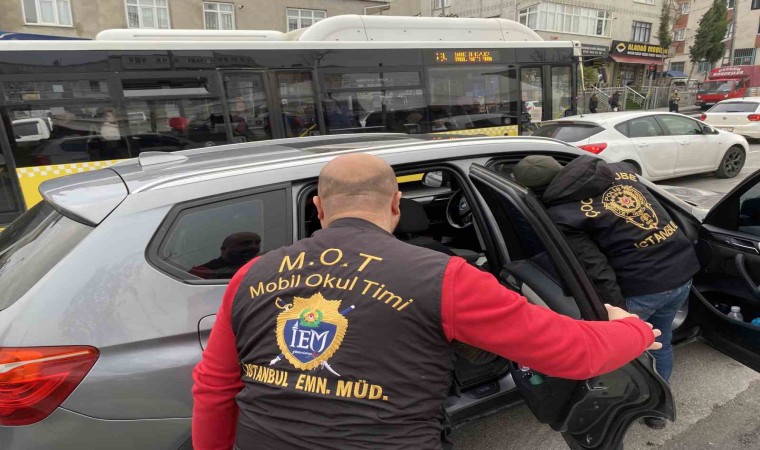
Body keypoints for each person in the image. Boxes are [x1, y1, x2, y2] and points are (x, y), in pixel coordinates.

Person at [192, 153, 663, 449]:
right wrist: (634, 329)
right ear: (396, 204)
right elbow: (572, 352)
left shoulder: (251, 274)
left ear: (318, 208)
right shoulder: (444, 277)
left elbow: (213, 389)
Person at [513, 154, 700, 429]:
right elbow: (659, 212)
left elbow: (595, 268)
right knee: (661, 340)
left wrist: (614, 313)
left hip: (642, 288)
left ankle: (613, 411)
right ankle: (658, 411)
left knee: (620, 355)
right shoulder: (619, 170)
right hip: (682, 271)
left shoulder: (563, 214)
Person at [190, 232, 262, 280]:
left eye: (257, 243)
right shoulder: (202, 272)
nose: (254, 247)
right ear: (224, 249)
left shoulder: (262, 266)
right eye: (245, 244)